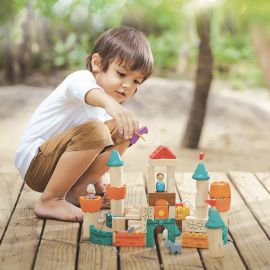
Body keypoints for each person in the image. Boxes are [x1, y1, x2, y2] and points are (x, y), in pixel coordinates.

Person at [15, 26, 153, 222]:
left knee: (128, 130)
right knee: (98, 130)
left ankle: (76, 190)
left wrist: (97, 182)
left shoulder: (104, 108)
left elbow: (95, 147)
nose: (128, 85)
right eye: (121, 74)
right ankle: (50, 200)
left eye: (136, 81)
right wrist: (112, 105)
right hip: (35, 163)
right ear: (96, 63)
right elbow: (90, 97)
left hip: (60, 167)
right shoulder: (81, 79)